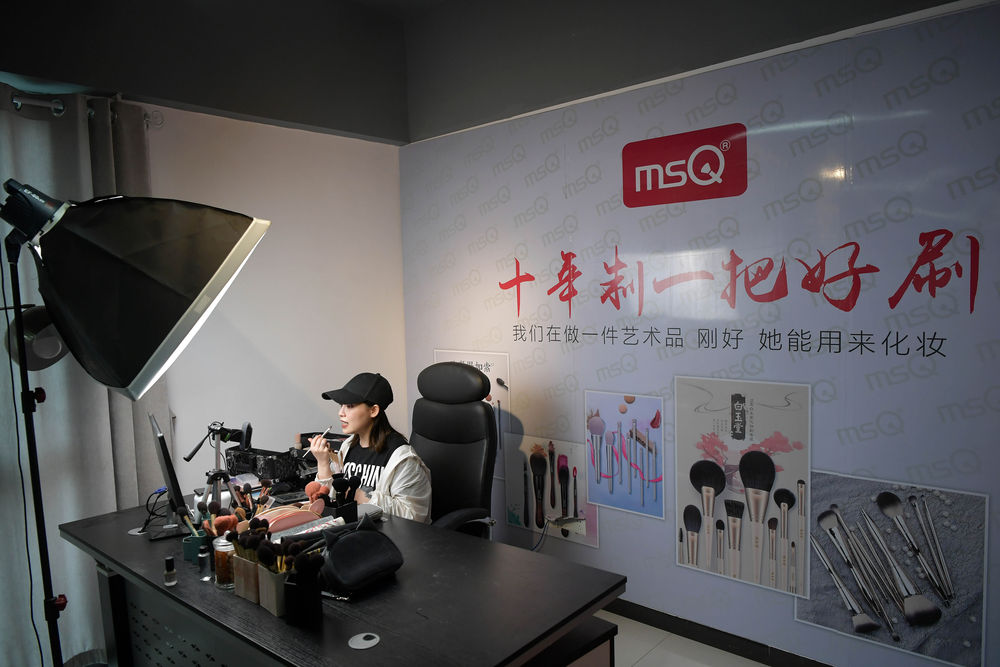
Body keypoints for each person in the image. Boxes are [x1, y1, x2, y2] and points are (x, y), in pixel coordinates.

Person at [309, 372, 432, 523]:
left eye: (350, 406)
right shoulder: (347, 446)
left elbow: (414, 516)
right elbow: (334, 500)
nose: (341, 413)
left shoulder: (402, 458)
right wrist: (322, 463)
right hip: (352, 528)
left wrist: (363, 497)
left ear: (373, 410)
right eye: (341, 405)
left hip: (386, 534)